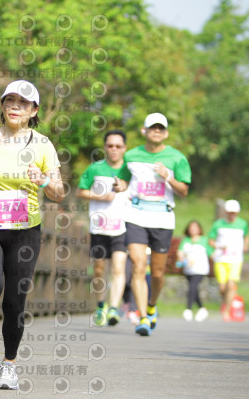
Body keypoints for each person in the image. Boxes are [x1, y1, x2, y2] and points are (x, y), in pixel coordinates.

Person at [0, 80, 65, 389]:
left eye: (23, 102)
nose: (15, 106)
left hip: (25, 232)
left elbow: (59, 192)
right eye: (10, 100)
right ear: (2, 105)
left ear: (34, 110)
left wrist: (44, 179)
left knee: (16, 301)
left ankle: (9, 365)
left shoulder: (43, 145)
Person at [114, 112, 191, 336]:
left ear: (165, 133)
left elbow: (184, 190)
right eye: (152, 128)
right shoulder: (131, 155)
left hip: (163, 217)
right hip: (136, 214)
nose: (156, 131)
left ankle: (151, 305)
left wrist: (168, 176)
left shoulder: (177, 158)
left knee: (157, 273)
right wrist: (120, 186)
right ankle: (144, 318)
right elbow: (124, 180)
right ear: (144, 131)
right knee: (138, 264)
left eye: (160, 128)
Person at [77, 130, 129, 327]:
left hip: (121, 227)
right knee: (99, 270)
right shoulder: (94, 169)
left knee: (118, 268)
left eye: (118, 146)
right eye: (110, 145)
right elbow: (80, 191)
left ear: (124, 148)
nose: (114, 149)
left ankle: (114, 309)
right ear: (105, 147)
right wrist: (101, 196)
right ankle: (101, 306)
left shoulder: (129, 171)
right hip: (99, 227)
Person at [208, 199, 249, 322]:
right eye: (230, 212)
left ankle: (226, 311)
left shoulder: (243, 224)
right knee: (222, 288)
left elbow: (246, 237)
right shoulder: (218, 224)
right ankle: (227, 301)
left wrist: (246, 245)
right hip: (221, 258)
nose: (232, 215)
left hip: (235, 259)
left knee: (231, 285)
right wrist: (218, 246)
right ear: (225, 212)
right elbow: (210, 240)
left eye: (234, 213)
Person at [176, 220, 213, 322]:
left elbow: (211, 252)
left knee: (192, 286)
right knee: (194, 289)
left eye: (195, 228)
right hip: (189, 269)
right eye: (191, 228)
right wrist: (181, 259)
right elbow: (180, 252)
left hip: (200, 268)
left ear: (199, 229)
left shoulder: (204, 240)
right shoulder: (186, 240)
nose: (193, 230)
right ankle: (202, 309)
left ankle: (188, 309)